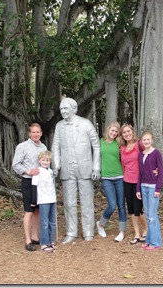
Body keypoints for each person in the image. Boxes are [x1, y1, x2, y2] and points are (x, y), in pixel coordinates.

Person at [51, 97, 101, 244]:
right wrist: (56, 165)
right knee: (69, 203)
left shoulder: (85, 124)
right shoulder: (59, 126)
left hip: (85, 168)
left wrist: (96, 167)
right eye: (61, 109)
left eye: (66, 108)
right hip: (68, 168)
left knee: (87, 202)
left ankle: (88, 232)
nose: (63, 111)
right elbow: (56, 146)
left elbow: (96, 146)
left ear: (74, 109)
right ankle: (71, 232)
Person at [12, 123, 47, 252]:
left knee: (38, 210)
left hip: (40, 183)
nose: (36, 134)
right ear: (29, 133)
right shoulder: (22, 147)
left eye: (38, 132)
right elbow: (15, 165)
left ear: (41, 133)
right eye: (33, 132)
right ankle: (27, 240)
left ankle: (35, 236)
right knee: (29, 211)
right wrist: (28, 171)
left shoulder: (43, 147)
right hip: (28, 182)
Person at [95, 121, 127, 242]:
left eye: (116, 131)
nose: (113, 133)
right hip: (106, 178)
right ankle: (101, 224)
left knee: (121, 205)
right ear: (108, 130)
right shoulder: (100, 142)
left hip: (119, 176)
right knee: (112, 205)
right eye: (112, 130)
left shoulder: (119, 143)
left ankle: (121, 231)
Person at [119, 124, 148, 245]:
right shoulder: (122, 148)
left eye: (128, 131)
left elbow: (150, 152)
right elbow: (123, 165)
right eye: (124, 132)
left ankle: (146, 229)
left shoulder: (139, 145)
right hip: (127, 181)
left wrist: (154, 169)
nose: (127, 134)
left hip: (138, 182)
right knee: (131, 209)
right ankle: (136, 233)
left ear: (132, 132)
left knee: (138, 209)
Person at [136, 130, 163, 251]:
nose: (146, 142)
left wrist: (158, 188)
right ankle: (149, 240)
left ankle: (156, 242)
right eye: (144, 140)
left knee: (152, 216)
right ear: (141, 142)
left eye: (148, 139)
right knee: (148, 215)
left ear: (152, 140)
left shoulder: (156, 153)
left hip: (153, 187)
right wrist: (138, 188)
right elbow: (140, 173)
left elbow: (161, 172)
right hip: (144, 186)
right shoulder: (141, 154)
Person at [31, 151, 57, 253]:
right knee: (44, 222)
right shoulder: (37, 171)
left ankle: (51, 240)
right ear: (39, 160)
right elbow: (34, 186)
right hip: (43, 200)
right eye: (43, 160)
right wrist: (34, 200)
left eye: (47, 160)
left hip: (52, 199)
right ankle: (44, 243)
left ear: (50, 161)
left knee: (52, 221)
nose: (45, 162)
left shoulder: (50, 172)